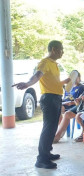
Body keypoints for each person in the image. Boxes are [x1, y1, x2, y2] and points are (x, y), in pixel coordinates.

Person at [13, 40, 70, 169]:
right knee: (48, 128)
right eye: (61, 49)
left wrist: (63, 82)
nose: (63, 52)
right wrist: (27, 84)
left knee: (53, 126)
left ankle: (47, 152)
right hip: (49, 99)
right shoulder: (45, 62)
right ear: (54, 49)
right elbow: (37, 75)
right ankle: (42, 159)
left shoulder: (54, 64)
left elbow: (52, 82)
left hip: (56, 97)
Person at [54, 70, 84, 143]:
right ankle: (57, 136)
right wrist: (79, 98)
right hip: (82, 105)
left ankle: (83, 133)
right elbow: (83, 94)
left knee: (79, 116)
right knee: (67, 114)